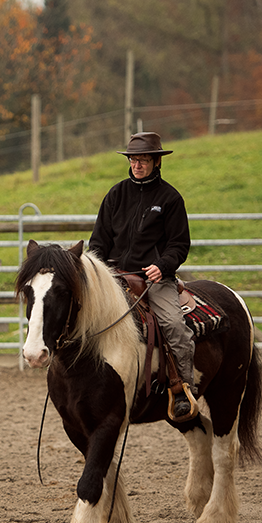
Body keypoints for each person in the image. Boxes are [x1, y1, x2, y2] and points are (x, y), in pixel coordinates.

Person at [88, 132, 196, 420]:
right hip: (114, 275)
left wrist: (163, 265)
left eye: (144, 160)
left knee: (173, 324)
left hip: (153, 279)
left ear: (157, 162)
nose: (137, 165)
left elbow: (179, 244)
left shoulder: (170, 198)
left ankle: (182, 387)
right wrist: (100, 271)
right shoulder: (115, 194)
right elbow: (98, 241)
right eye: (134, 159)